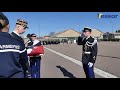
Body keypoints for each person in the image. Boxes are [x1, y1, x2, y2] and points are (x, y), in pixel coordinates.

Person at [0, 12, 29, 78]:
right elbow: (23, 61)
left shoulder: (18, 38)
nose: (24, 31)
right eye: (24, 28)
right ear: (18, 27)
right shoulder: (13, 38)